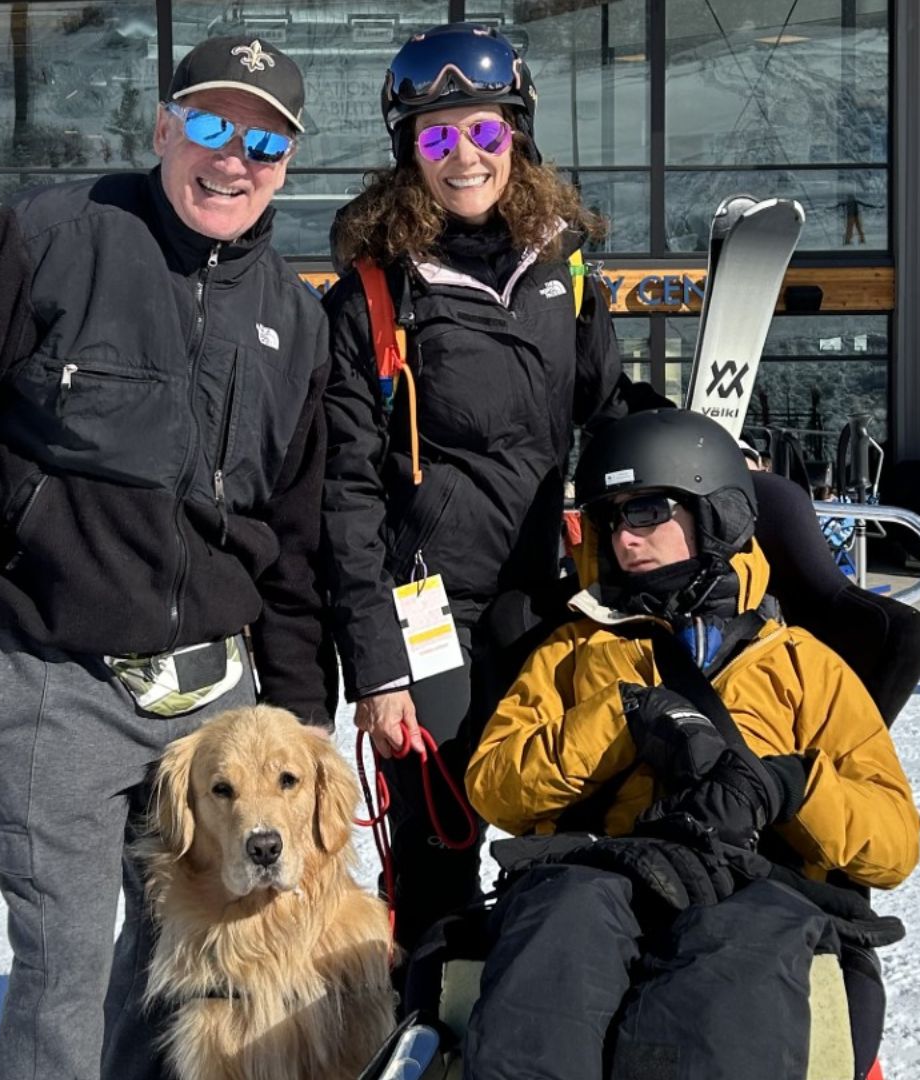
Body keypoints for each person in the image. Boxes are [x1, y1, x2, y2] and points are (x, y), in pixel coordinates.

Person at [0, 35, 326, 1080]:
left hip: (211, 699)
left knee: (198, 957)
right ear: (163, 128)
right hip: (51, 676)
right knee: (64, 962)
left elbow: (293, 538)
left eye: (264, 142)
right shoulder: (41, 242)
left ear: (286, 167)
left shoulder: (294, 318)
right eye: (209, 125)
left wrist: (295, 705)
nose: (231, 158)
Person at [462, 408, 920, 1080]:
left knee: (732, 959)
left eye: (647, 510)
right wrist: (620, 719)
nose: (625, 536)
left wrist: (786, 786)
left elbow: (895, 843)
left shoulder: (802, 666)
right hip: (603, 867)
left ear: (718, 513)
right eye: (610, 518)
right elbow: (495, 785)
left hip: (757, 877)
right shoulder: (571, 652)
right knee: (560, 930)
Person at [321, 22, 632, 957]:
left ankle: (544, 994)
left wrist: (688, 450)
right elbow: (344, 494)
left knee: (564, 804)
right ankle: (427, 1002)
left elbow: (605, 408)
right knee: (442, 827)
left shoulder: (565, 271)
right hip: (427, 612)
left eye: (486, 134)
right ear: (406, 156)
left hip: (542, 594)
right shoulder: (374, 298)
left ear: (519, 139)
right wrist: (375, 669)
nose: (465, 156)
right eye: (436, 137)